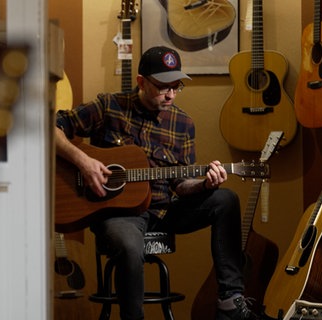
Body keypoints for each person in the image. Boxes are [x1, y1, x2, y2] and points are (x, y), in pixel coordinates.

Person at [55, 46, 254, 320]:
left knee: (225, 199)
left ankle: (230, 301)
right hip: (119, 214)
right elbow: (50, 128)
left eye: (177, 87)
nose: (170, 94)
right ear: (141, 82)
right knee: (130, 245)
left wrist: (205, 185)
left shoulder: (183, 123)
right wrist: (83, 161)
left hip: (164, 211)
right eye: (163, 87)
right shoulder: (108, 106)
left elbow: (181, 185)